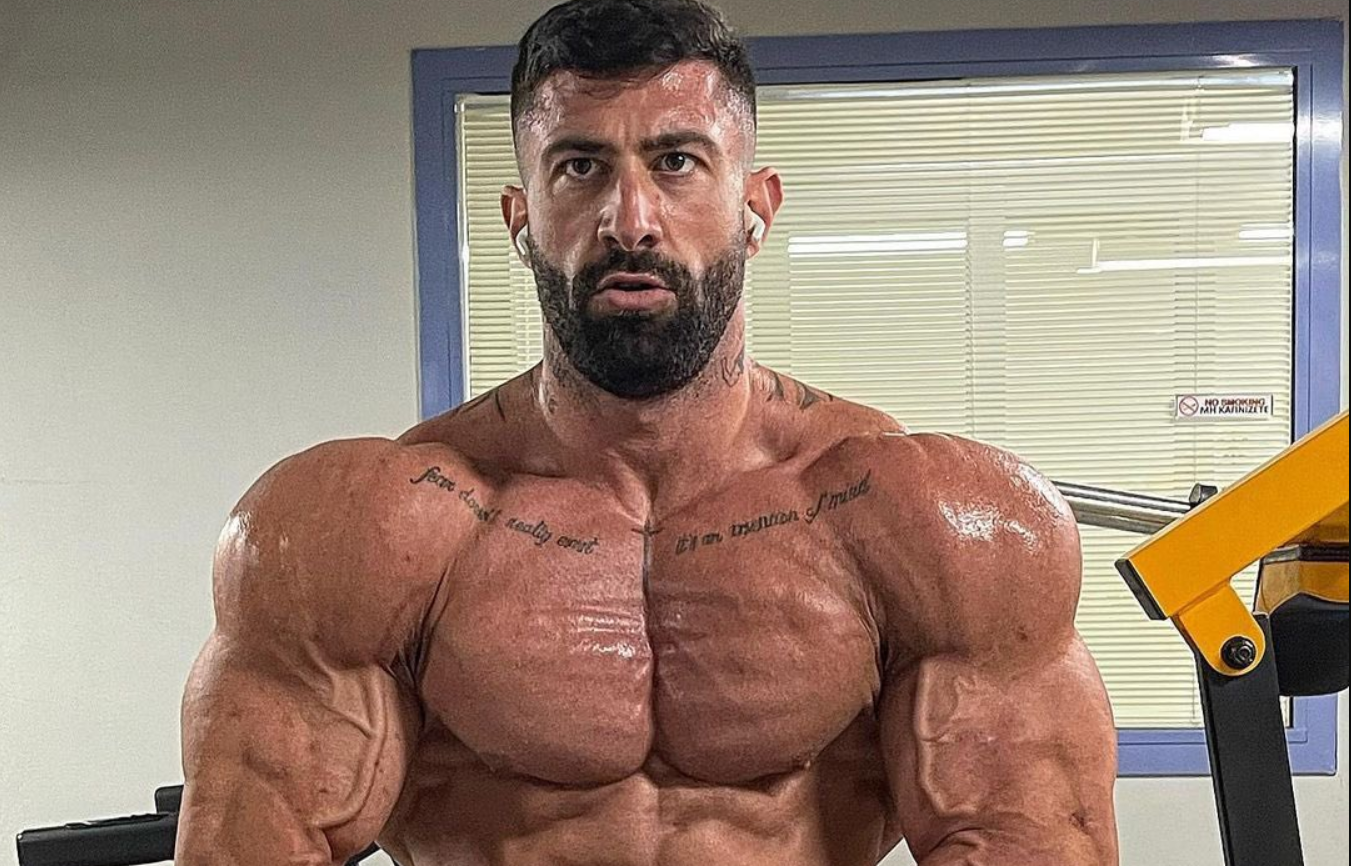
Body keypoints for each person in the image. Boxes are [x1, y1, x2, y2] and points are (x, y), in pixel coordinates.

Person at [176, 0, 1119, 862]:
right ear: (520, 219)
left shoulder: (930, 523)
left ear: (755, 209)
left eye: (676, 163)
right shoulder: (363, 531)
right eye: (579, 167)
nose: (629, 220)